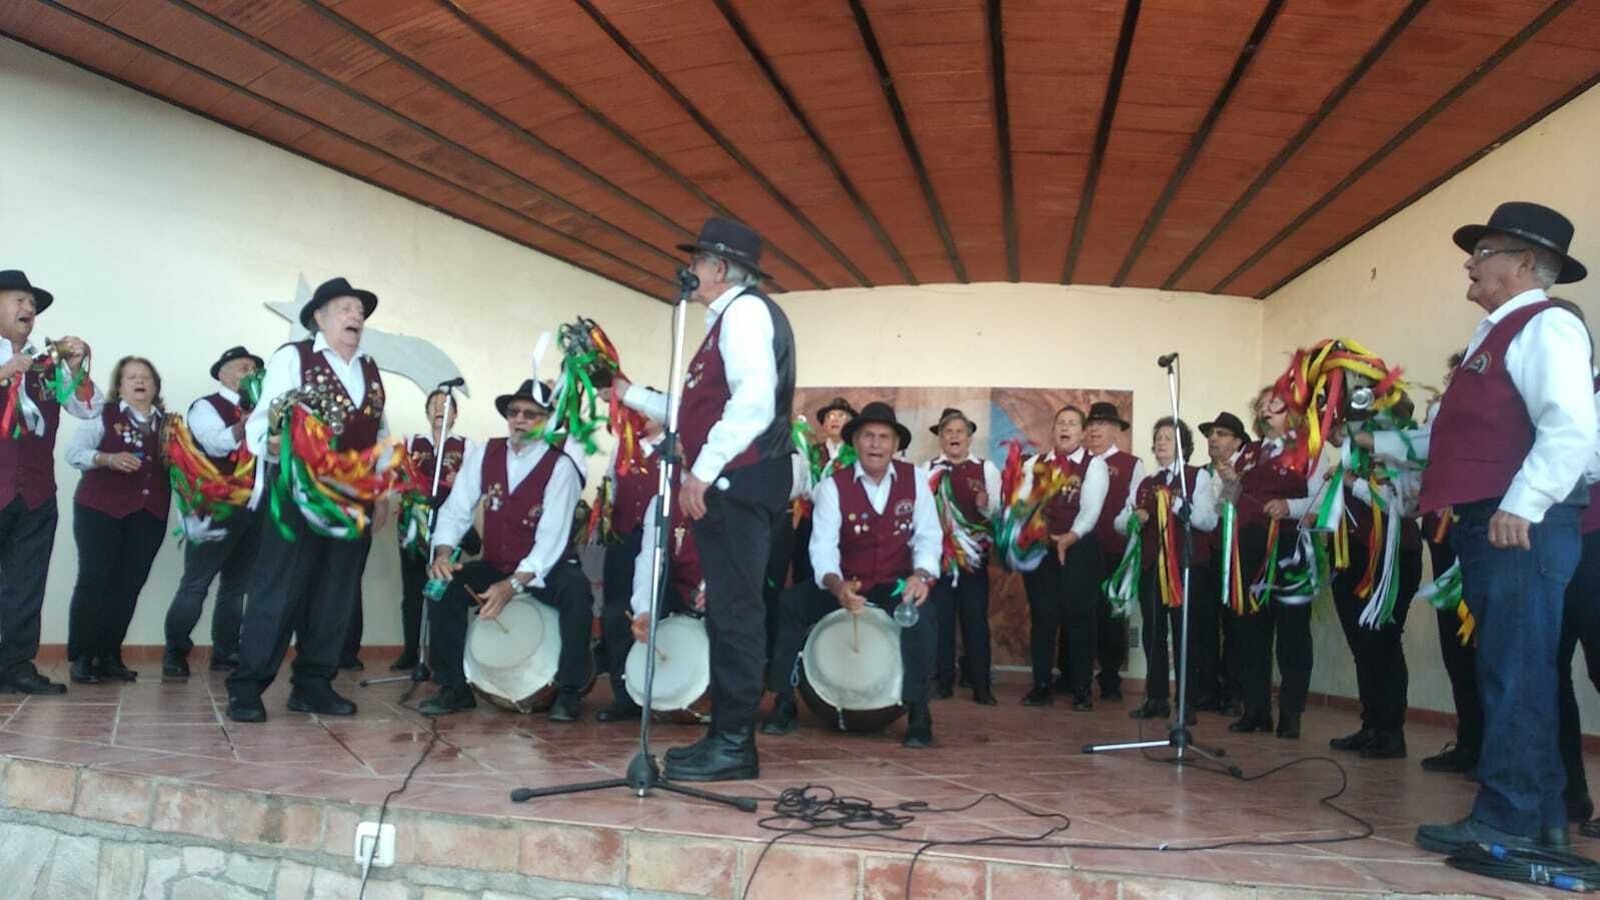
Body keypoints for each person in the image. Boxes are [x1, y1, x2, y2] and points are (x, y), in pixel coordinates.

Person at [1361, 203, 1592, 854]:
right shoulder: (1498, 334)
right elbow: (1446, 439)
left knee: (1513, 670)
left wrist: (1526, 502)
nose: (1471, 262)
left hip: (1518, 522)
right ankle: (1538, 814)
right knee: (1515, 666)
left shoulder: (1546, 327)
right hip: (1493, 518)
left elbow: (1570, 426)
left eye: (1485, 251)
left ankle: (1509, 821)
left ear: (1525, 263)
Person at [614, 217, 796, 782]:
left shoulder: (743, 314)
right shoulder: (731, 320)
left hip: (738, 483)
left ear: (718, 269)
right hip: (733, 484)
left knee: (736, 612)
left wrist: (703, 471)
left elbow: (754, 404)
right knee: (728, 611)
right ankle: (725, 735)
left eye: (697, 263)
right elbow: (699, 407)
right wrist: (629, 394)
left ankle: (736, 743)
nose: (689, 272)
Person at [227, 277, 390, 723]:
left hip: (352, 501)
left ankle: (313, 685)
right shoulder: (293, 358)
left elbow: (379, 434)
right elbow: (263, 421)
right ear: (319, 317)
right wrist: (272, 445)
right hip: (297, 497)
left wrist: (384, 492)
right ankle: (247, 686)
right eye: (344, 308)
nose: (354, 315)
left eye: (358, 309)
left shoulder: (370, 370)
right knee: (277, 591)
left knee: (335, 596)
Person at [762, 402, 938, 746]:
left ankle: (919, 711)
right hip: (847, 582)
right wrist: (835, 584)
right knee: (790, 603)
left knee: (923, 614)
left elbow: (929, 537)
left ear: (895, 444)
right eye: (867, 436)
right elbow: (822, 548)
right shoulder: (833, 486)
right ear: (854, 443)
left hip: (895, 583)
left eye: (883, 437)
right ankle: (784, 701)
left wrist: (920, 576)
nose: (875, 444)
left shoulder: (915, 480)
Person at [419, 380, 591, 720]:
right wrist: (442, 553)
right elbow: (455, 510)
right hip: (498, 562)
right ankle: (453, 686)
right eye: (514, 412)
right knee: (442, 588)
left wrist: (513, 585)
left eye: (531, 413)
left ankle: (569, 691)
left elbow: (551, 540)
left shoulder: (561, 466)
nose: (519, 419)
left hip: (547, 567)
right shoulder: (486, 453)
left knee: (577, 593)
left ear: (548, 419)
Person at [0, 271, 97, 695]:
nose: (28, 310)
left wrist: (75, 369)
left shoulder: (47, 363)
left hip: (37, 492)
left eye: (32, 305)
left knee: (27, 582)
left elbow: (87, 409)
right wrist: (4, 371)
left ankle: (16, 666)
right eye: (19, 300)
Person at [65, 356, 172, 683]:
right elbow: (73, 453)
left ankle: (110, 654)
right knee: (95, 582)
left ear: (155, 386)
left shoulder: (170, 425)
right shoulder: (103, 415)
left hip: (150, 514)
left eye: (146, 378)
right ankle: (83, 657)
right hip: (99, 511)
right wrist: (106, 458)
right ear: (119, 386)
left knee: (128, 587)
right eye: (132, 377)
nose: (140, 382)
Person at [1325, 413, 1423, 761]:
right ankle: (1371, 726)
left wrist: (1351, 483)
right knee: (1362, 645)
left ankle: (1391, 732)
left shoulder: (1400, 450)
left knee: (1383, 642)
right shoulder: (1352, 458)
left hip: (1391, 555)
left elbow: (1398, 502)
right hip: (1352, 555)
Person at [161, 345, 263, 679]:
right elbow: (215, 442)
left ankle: (225, 651)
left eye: (253, 368)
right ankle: (175, 652)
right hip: (214, 509)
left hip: (254, 507)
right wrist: (243, 426)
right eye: (242, 367)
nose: (249, 372)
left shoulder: (264, 409)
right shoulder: (206, 406)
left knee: (237, 587)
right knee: (196, 583)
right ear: (222, 373)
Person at [1217, 388, 1310, 738]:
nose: (1264, 409)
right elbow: (1227, 505)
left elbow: (1320, 498)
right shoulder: (1249, 452)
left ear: (1293, 411)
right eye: (1260, 404)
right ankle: (1255, 709)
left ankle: (1291, 712)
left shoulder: (1308, 449)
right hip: (1249, 546)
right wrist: (1230, 484)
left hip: (1289, 545)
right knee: (1250, 629)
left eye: (1273, 404)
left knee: (1292, 631)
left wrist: (1290, 507)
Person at [1114, 416, 1216, 720]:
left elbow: (1207, 521)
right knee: (1153, 632)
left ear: (1182, 445)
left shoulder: (1197, 477)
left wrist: (1172, 504)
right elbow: (1120, 523)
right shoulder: (1145, 482)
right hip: (1150, 567)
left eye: (1168, 438)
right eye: (1158, 437)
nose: (1160, 442)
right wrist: (1135, 518)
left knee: (1185, 633)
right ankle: (1155, 698)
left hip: (1186, 567)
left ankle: (1187, 701)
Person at [1019, 405, 1107, 710]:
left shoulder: (1094, 466)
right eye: (1060, 423)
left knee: (1080, 618)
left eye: (1072, 423)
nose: (1065, 428)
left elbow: (1091, 510)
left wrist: (1069, 538)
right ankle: (1041, 685)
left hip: (1078, 549)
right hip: (1041, 551)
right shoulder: (1035, 464)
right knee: (1042, 618)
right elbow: (1021, 505)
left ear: (1082, 433)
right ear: (1053, 431)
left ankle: (1082, 689)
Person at [390, 388, 476, 674]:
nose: (441, 408)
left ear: (456, 415)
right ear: (427, 412)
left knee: (442, 589)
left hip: (450, 527)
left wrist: (460, 479)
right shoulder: (411, 442)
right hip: (415, 524)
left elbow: (479, 487)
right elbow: (393, 478)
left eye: (447, 405)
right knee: (412, 590)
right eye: (435, 404)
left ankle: (441, 655)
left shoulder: (468, 446)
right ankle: (410, 652)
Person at [918, 407, 1000, 704]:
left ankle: (981, 684)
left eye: (959, 432)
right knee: (940, 620)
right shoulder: (927, 469)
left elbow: (997, 511)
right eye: (948, 432)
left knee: (975, 619)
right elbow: (921, 512)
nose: (954, 436)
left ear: (969, 437)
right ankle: (942, 681)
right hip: (940, 560)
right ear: (941, 438)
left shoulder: (986, 468)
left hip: (974, 560)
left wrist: (985, 504)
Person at [597, 416, 664, 722]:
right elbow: (611, 483)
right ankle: (623, 692)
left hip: (662, 542)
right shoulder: (623, 445)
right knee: (617, 610)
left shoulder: (676, 449)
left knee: (655, 610)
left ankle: (660, 687)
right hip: (624, 540)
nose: (641, 418)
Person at [1084, 401, 1143, 701]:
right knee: (1079, 613)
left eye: (1103, 424)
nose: (1095, 429)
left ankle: (1110, 678)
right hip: (1080, 552)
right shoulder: (1077, 462)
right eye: (1091, 424)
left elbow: (1135, 506)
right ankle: (1073, 676)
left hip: (1113, 551)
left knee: (1110, 617)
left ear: (1116, 430)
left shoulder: (1132, 464)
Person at [1195, 411, 1250, 715]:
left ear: (1238, 442)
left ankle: (1233, 692)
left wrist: (1233, 484)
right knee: (1204, 624)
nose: (1214, 439)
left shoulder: (1247, 470)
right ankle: (1207, 689)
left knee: (1234, 624)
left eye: (1223, 434)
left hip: (1236, 556)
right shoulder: (1200, 473)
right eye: (1211, 434)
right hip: (1206, 555)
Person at [790, 397, 856, 587]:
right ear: (824, 424)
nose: (835, 420)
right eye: (830, 416)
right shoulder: (812, 451)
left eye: (841, 416)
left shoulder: (856, 454)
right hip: (810, 518)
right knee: (804, 569)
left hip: (842, 520)